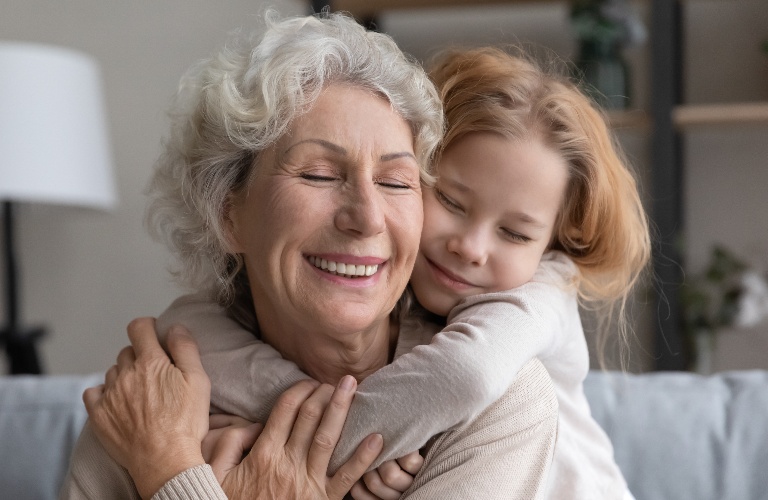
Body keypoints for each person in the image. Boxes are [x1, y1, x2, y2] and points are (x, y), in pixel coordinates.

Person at [60, 12, 559, 500]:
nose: (367, 217)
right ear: (228, 213)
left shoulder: (499, 402)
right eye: (319, 174)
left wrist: (171, 476)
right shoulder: (147, 406)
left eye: (395, 182)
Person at [148, 46, 651, 499]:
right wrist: (170, 353)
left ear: (552, 246)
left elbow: (465, 373)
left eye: (516, 235)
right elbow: (188, 327)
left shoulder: (534, 307)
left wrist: (261, 453)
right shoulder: (148, 399)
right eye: (450, 201)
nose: (470, 248)